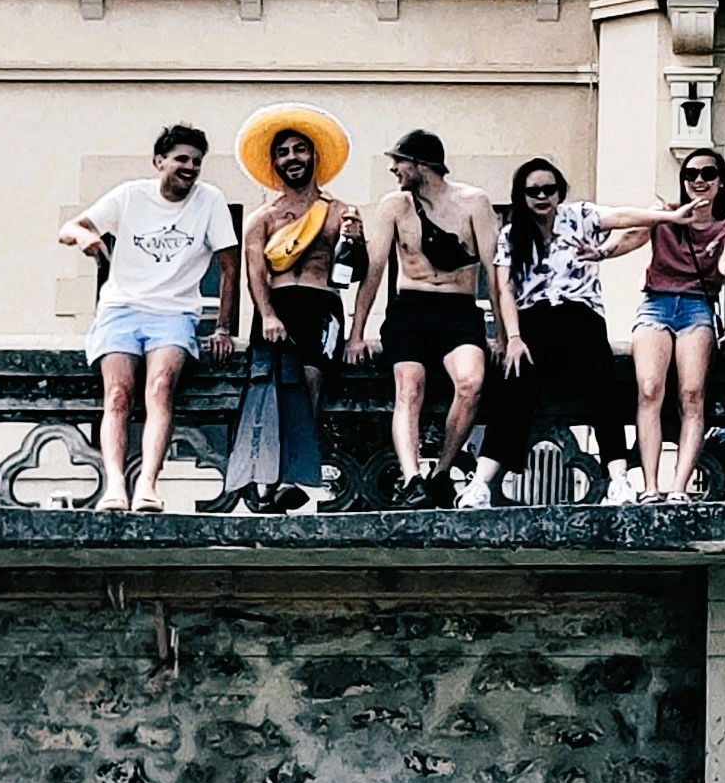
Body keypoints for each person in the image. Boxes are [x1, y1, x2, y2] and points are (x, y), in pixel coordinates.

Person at [55, 123, 241, 514]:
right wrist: (86, 237)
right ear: (159, 162)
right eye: (181, 159)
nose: (190, 168)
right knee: (118, 393)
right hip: (121, 308)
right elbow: (69, 228)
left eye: (196, 162)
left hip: (174, 312)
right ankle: (114, 486)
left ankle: (147, 486)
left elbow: (229, 265)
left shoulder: (209, 200)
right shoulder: (130, 195)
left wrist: (223, 327)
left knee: (159, 388)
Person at [346, 127, 523, 508]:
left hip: (459, 309)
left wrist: (504, 334)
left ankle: (442, 471)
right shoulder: (394, 206)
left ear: (420, 165)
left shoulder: (474, 202)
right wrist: (356, 334)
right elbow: (374, 271)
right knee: (409, 387)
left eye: (399, 162)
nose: (394, 170)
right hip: (409, 309)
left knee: (471, 382)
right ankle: (412, 478)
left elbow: (494, 271)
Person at [487, 158, 650, 505]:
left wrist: (671, 217)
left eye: (549, 189)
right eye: (533, 191)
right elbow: (504, 290)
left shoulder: (580, 217)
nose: (542, 196)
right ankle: (483, 481)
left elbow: (627, 219)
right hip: (534, 319)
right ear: (521, 195)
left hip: (580, 316)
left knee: (604, 383)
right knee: (514, 385)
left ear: (560, 192)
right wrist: (512, 337)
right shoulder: (511, 235)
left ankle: (618, 478)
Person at [223, 105, 357, 513]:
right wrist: (267, 315)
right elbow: (254, 274)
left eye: (300, 149)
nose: (292, 158)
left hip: (322, 305)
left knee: (310, 382)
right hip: (277, 306)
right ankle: (266, 478)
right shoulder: (261, 218)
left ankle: (294, 473)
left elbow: (352, 274)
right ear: (274, 163)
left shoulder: (340, 212)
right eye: (283, 152)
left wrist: (354, 241)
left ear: (314, 155)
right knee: (270, 391)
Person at [627, 151, 725, 504]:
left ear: (720, 181)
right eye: (691, 173)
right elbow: (630, 237)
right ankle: (651, 486)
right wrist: (601, 251)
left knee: (692, 395)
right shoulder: (666, 215)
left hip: (697, 308)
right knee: (649, 389)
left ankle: (679, 487)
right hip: (656, 303)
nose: (699, 180)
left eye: (708, 173)